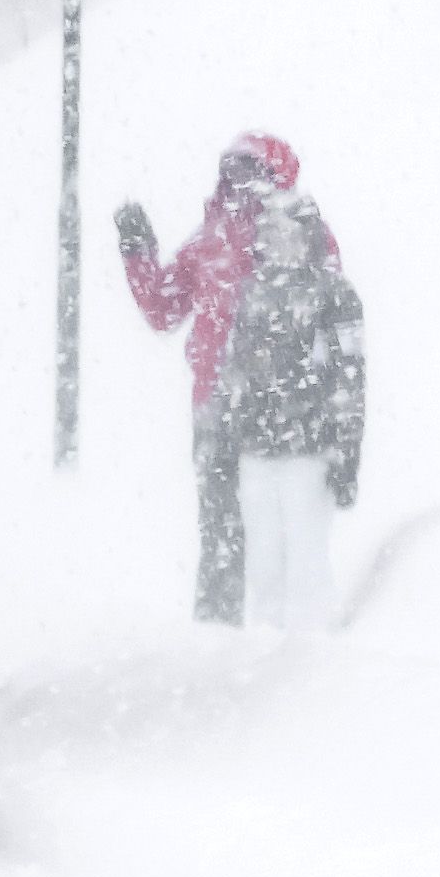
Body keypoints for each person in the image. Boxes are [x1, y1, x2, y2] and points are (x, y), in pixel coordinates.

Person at [117, 134, 364, 624]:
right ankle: (222, 642)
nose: (240, 182)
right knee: (222, 531)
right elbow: (165, 310)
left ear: (278, 176)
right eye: (232, 171)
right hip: (216, 402)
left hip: (281, 408)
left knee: (280, 536)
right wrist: (138, 253)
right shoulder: (210, 237)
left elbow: (329, 316)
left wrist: (331, 418)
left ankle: (282, 642)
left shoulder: (299, 232)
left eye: (251, 171)